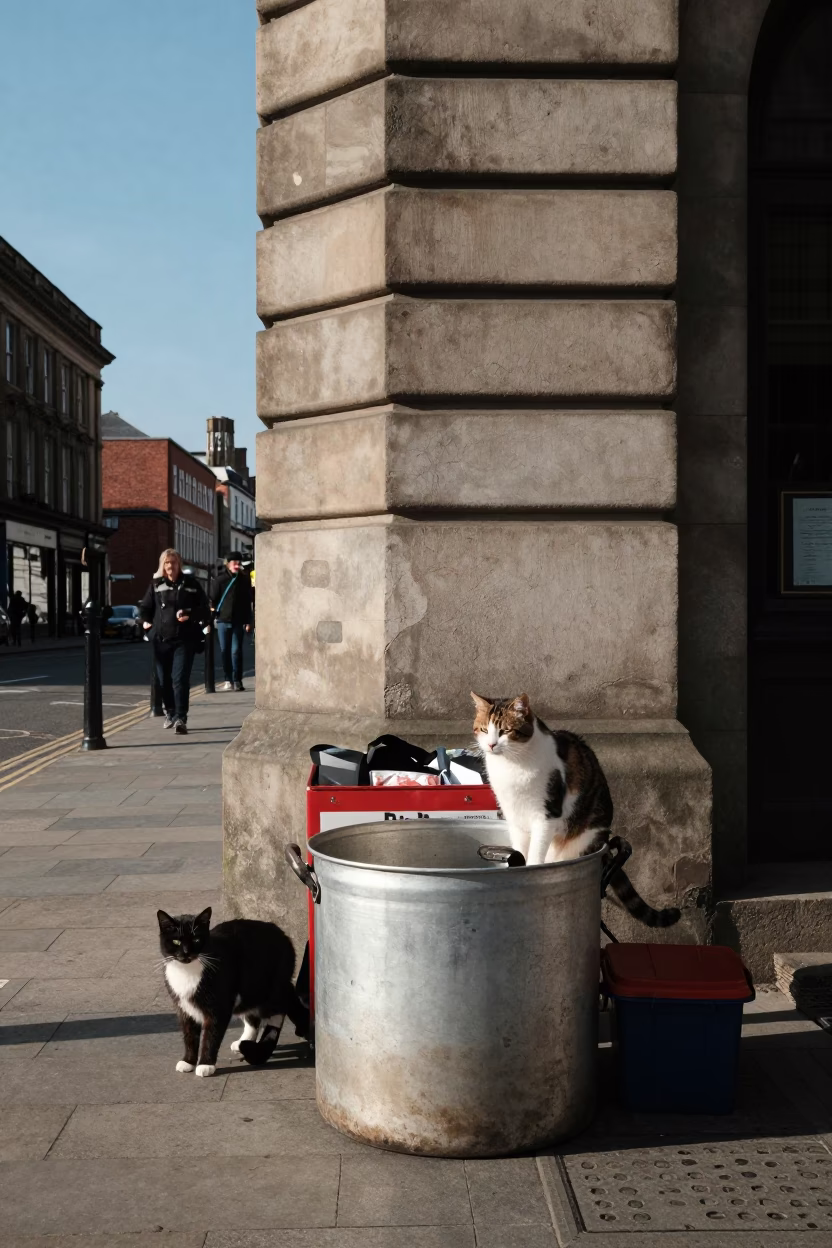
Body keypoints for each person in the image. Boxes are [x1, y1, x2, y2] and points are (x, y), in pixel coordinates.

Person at [138, 548, 211, 734]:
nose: (170, 566)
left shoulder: (191, 584)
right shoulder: (156, 584)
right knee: (164, 681)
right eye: (167, 563)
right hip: (161, 640)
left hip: (184, 639)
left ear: (179, 564)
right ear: (163, 566)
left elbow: (204, 608)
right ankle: (170, 712)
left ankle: (181, 717)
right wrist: (145, 622)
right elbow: (145, 607)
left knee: (180, 679)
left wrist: (189, 614)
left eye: (174, 562)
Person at [210, 551, 253, 691]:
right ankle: (228, 678)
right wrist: (211, 612)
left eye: (239, 562)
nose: (237, 564)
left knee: (236, 651)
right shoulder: (220, 580)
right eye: (234, 562)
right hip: (223, 620)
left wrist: (249, 621)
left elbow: (248, 602)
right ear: (228, 564)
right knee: (224, 651)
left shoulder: (244, 580)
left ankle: (237, 680)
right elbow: (213, 599)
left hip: (238, 620)